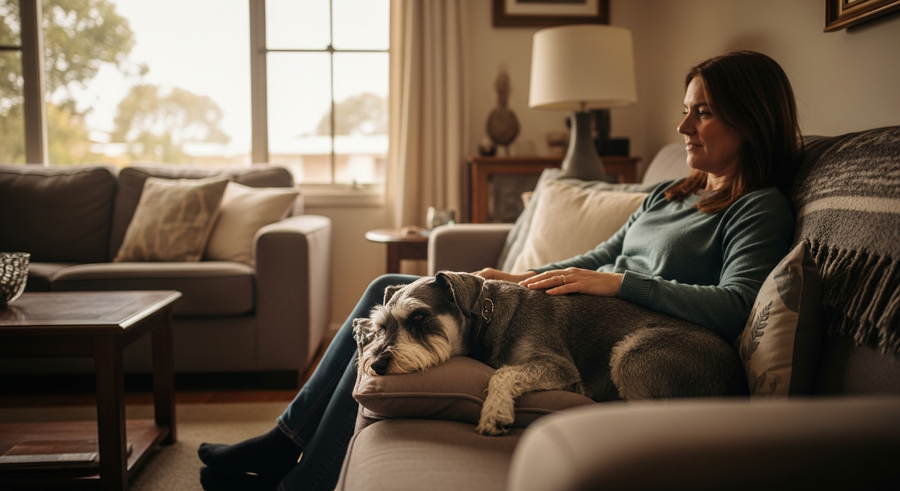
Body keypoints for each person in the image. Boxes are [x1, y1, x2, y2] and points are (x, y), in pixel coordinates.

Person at [197, 50, 802, 491]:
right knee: (389, 290)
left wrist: (622, 283)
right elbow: (595, 260)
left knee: (391, 293)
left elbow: (735, 304)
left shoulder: (758, 208)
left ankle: (297, 467)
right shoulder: (669, 194)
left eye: (702, 113)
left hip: (646, 344)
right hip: (588, 312)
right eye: (685, 110)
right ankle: (288, 444)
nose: (683, 127)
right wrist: (517, 279)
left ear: (749, 120)